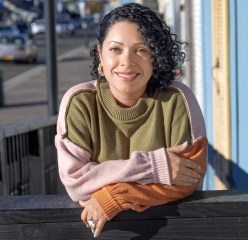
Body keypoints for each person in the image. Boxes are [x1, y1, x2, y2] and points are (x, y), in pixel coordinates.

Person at [55, 3, 207, 238]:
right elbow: (77, 183)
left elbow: (189, 176)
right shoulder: (79, 103)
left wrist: (115, 197)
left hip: (171, 232)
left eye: (141, 50)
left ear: (154, 58)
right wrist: (156, 167)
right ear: (100, 54)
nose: (127, 61)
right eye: (115, 49)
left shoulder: (178, 100)